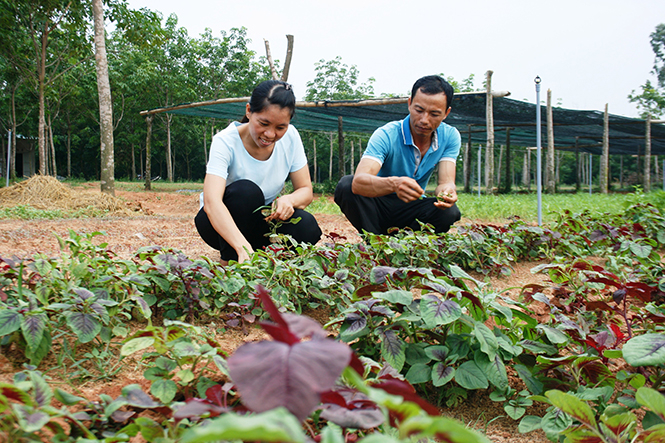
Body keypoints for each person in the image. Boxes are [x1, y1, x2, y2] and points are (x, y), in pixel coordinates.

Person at [195, 80, 322, 264]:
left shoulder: (292, 137)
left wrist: (289, 199)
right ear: (248, 111)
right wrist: (241, 246)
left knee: (306, 225)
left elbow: (305, 190)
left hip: (263, 221)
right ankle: (230, 261)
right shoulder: (225, 141)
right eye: (264, 123)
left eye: (280, 127)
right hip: (218, 224)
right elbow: (212, 202)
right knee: (246, 192)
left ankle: (269, 263)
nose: (270, 134)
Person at [334, 75, 461, 235]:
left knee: (448, 212)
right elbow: (359, 182)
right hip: (378, 202)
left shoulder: (450, 136)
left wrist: (447, 192)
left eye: (434, 114)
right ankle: (375, 243)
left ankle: (411, 247)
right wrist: (394, 184)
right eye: (419, 110)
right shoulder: (386, 135)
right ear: (409, 103)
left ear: (446, 113)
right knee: (346, 186)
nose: (424, 120)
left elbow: (446, 182)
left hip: (413, 206)